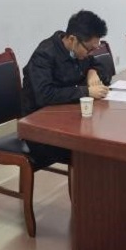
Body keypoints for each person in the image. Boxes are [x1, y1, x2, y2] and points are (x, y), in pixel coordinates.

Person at [21, 10, 111, 165]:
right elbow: (44, 95)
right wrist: (86, 91)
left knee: (104, 137)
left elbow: (102, 69)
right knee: (94, 150)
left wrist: (92, 72)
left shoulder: (78, 52)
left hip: (68, 118)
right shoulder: (44, 55)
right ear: (72, 39)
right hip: (40, 129)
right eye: (89, 49)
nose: (90, 54)